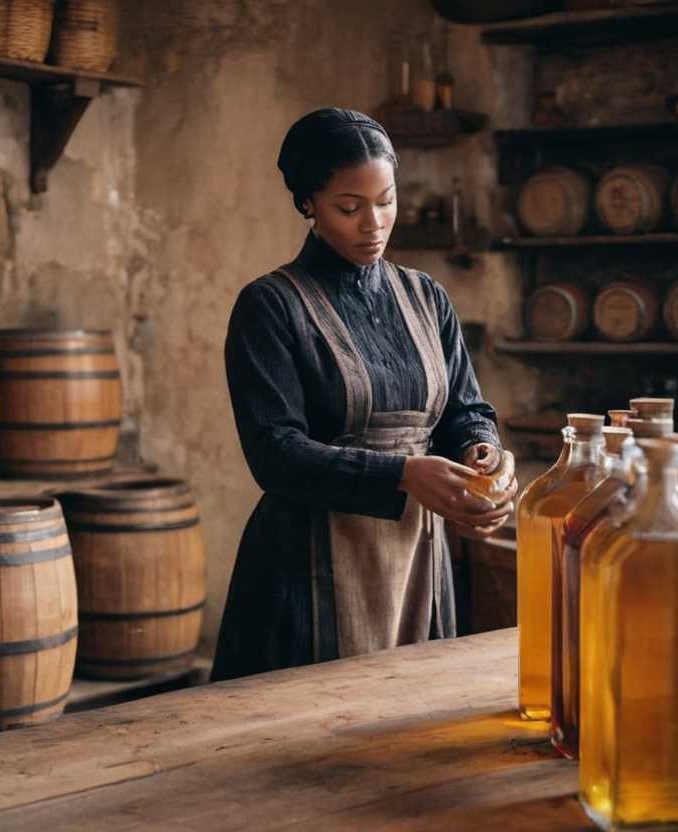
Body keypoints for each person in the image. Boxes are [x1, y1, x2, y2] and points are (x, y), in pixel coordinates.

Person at [211, 108, 516, 682]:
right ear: (308, 203)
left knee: (411, 727)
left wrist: (483, 451)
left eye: (386, 200)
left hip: (417, 561)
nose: (373, 223)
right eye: (348, 208)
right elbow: (273, 452)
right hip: (308, 569)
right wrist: (401, 474)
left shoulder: (426, 296)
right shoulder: (271, 306)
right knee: (305, 746)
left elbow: (465, 410)